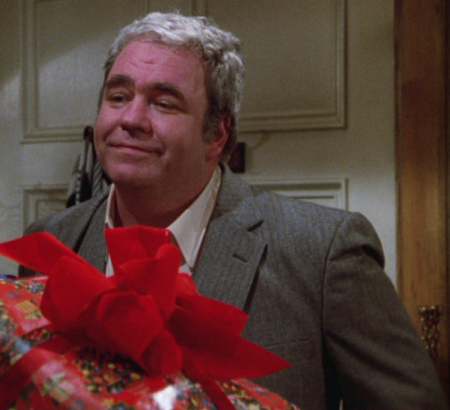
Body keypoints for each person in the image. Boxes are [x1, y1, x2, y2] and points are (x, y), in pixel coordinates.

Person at [19, 12, 447, 410]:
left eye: (164, 103)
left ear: (218, 135)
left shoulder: (323, 252)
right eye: (118, 96)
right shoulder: (52, 242)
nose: (130, 118)